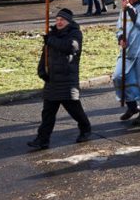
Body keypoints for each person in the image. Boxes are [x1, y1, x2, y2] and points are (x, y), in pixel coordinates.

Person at [29, 8, 92, 148]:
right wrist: (42, 71)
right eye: (57, 20)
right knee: (47, 113)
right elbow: (45, 55)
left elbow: (71, 47)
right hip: (52, 81)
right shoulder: (52, 35)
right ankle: (42, 140)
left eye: (62, 20)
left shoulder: (75, 33)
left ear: (69, 21)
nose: (59, 22)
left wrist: (50, 40)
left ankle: (85, 129)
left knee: (75, 110)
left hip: (67, 80)